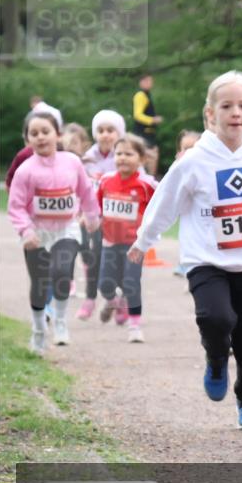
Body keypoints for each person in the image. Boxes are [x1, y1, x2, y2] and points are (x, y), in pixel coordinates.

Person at [130, 71, 242, 430]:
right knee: (217, 319)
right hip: (205, 262)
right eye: (226, 106)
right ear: (210, 114)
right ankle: (216, 359)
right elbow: (165, 201)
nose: (235, 112)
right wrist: (144, 240)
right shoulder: (194, 161)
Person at [7, 112, 99, 354]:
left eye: (45, 131)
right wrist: (26, 231)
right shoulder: (25, 171)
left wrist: (92, 215)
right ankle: (38, 330)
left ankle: (59, 321)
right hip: (37, 232)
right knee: (39, 284)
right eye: (34, 133)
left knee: (61, 272)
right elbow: (15, 206)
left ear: (57, 134)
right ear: (27, 140)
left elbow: (86, 190)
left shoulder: (72, 162)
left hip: (66, 229)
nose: (40, 137)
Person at [96, 135, 155, 342]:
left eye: (129, 154)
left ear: (141, 159)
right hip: (110, 242)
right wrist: (92, 218)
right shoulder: (106, 180)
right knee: (105, 285)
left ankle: (135, 325)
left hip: (134, 245)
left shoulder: (147, 184)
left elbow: (159, 208)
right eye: (118, 153)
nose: (122, 158)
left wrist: (148, 233)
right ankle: (114, 302)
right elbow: (97, 205)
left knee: (131, 283)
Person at [76, 110, 126, 320]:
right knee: (91, 258)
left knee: (117, 261)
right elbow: (79, 187)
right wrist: (81, 212)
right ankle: (90, 299)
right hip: (91, 217)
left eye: (110, 130)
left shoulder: (125, 156)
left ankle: (121, 299)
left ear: (119, 133)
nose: (105, 134)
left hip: (118, 220)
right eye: (101, 130)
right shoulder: (87, 159)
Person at [170, 130, 202, 278]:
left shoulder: (206, 165)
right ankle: (184, 264)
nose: (189, 152)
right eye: (185, 149)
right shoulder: (177, 167)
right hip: (187, 214)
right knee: (187, 238)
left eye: (193, 148)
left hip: (204, 215)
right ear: (179, 152)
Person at [132, 74, 163, 176]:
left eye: (150, 81)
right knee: (151, 156)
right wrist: (152, 120)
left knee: (152, 156)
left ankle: (149, 179)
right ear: (141, 82)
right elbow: (137, 115)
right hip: (142, 134)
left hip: (149, 134)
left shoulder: (147, 95)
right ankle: (149, 180)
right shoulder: (140, 95)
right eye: (147, 81)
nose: (150, 83)